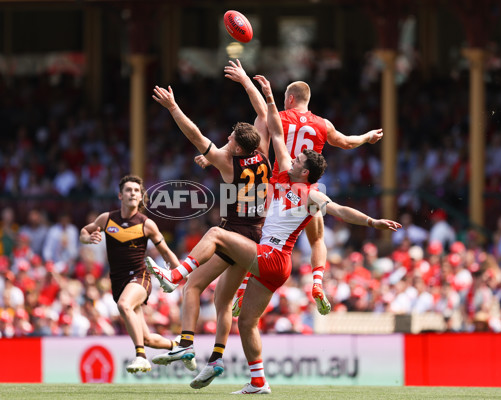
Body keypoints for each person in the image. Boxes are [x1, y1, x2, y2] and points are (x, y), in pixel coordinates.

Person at [147, 75, 401, 394]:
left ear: (305, 171)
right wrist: (268, 97)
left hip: (271, 257)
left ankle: (176, 275)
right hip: (274, 264)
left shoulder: (311, 194)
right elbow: (277, 131)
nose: (293, 157)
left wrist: (373, 222)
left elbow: (338, 209)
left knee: (214, 233)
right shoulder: (282, 172)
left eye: (299, 160)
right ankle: (258, 381)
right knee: (247, 322)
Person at [198, 60, 383, 316]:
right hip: (309, 191)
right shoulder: (323, 124)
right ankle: (318, 283)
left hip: (278, 185)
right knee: (317, 238)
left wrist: (213, 155)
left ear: (290, 99)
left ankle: (242, 288)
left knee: (259, 238)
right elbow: (347, 142)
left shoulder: (281, 117)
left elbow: (249, 137)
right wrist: (367, 137)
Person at [151, 82, 271, 388]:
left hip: (234, 234)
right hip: (255, 236)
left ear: (239, 148)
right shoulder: (264, 155)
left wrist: (172, 107)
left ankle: (186, 341)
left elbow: (194, 135)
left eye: (230, 139)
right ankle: (216, 360)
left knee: (192, 286)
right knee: (222, 301)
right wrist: (247, 81)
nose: (226, 140)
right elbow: (261, 112)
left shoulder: (228, 161)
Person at [80, 175, 182, 374]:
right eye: (128, 190)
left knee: (124, 305)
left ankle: (141, 357)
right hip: (118, 283)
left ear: (141, 197)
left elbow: (167, 253)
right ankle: (178, 347)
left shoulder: (147, 224)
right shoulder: (106, 219)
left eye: (136, 190)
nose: (132, 193)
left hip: (139, 278)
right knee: (147, 338)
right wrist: (88, 237)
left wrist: (182, 274)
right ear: (120, 195)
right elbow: (84, 231)